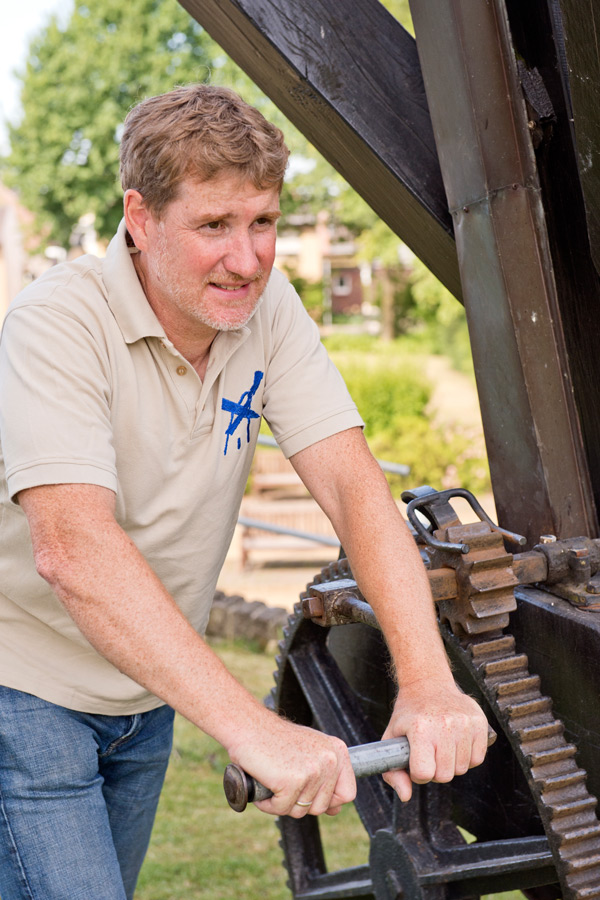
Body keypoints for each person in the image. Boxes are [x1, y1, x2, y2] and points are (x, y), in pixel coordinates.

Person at [0, 84, 488, 900]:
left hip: (147, 696)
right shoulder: (57, 324)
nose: (248, 257)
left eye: (262, 221)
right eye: (214, 226)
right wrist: (254, 730)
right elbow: (73, 549)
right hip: (25, 693)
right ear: (141, 216)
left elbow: (354, 487)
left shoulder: (266, 312)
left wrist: (428, 681)